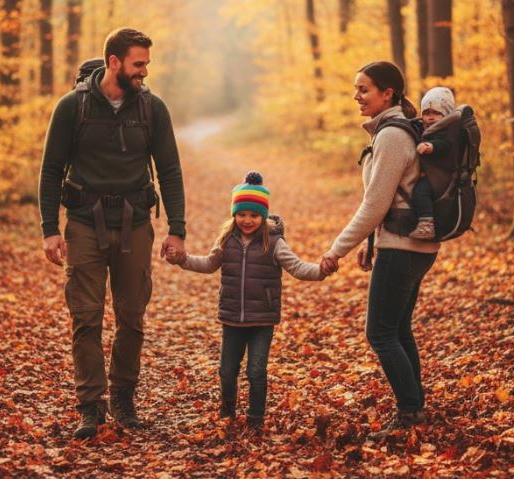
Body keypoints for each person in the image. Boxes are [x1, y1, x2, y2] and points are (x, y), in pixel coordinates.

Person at [38, 28, 186, 439]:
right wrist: (50, 230)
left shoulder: (153, 109)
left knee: (132, 316)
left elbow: (170, 170)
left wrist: (178, 229)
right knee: (85, 317)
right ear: (114, 62)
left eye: (147, 65)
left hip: (135, 223)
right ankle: (91, 405)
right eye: (138, 64)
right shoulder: (72, 108)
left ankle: (123, 396)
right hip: (84, 222)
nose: (144, 72)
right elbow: (51, 170)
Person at [320, 61, 440, 439]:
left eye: (364, 89)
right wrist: (370, 244)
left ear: (388, 93)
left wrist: (336, 250)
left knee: (380, 333)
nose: (357, 96)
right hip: (415, 246)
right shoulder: (396, 130)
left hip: (403, 248)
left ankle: (409, 413)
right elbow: (392, 198)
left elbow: (375, 205)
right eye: (356, 89)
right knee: (398, 328)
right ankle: (415, 404)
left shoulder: (391, 136)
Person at [166, 172, 326, 430]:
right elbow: (208, 264)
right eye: (242, 214)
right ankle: (227, 411)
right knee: (227, 371)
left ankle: (256, 418)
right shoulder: (227, 240)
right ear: (234, 214)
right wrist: (182, 259)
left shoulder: (274, 242)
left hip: (262, 319)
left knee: (256, 371)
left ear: (263, 216)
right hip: (232, 318)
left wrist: (321, 270)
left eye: (253, 215)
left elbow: (297, 267)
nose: (247, 220)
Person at [409, 86, 456, 240]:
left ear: (447, 116)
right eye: (426, 113)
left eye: (436, 113)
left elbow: (446, 145)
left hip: (441, 176)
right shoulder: (425, 127)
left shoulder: (447, 131)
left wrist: (431, 147)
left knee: (420, 192)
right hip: (430, 173)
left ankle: (426, 225)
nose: (430, 117)